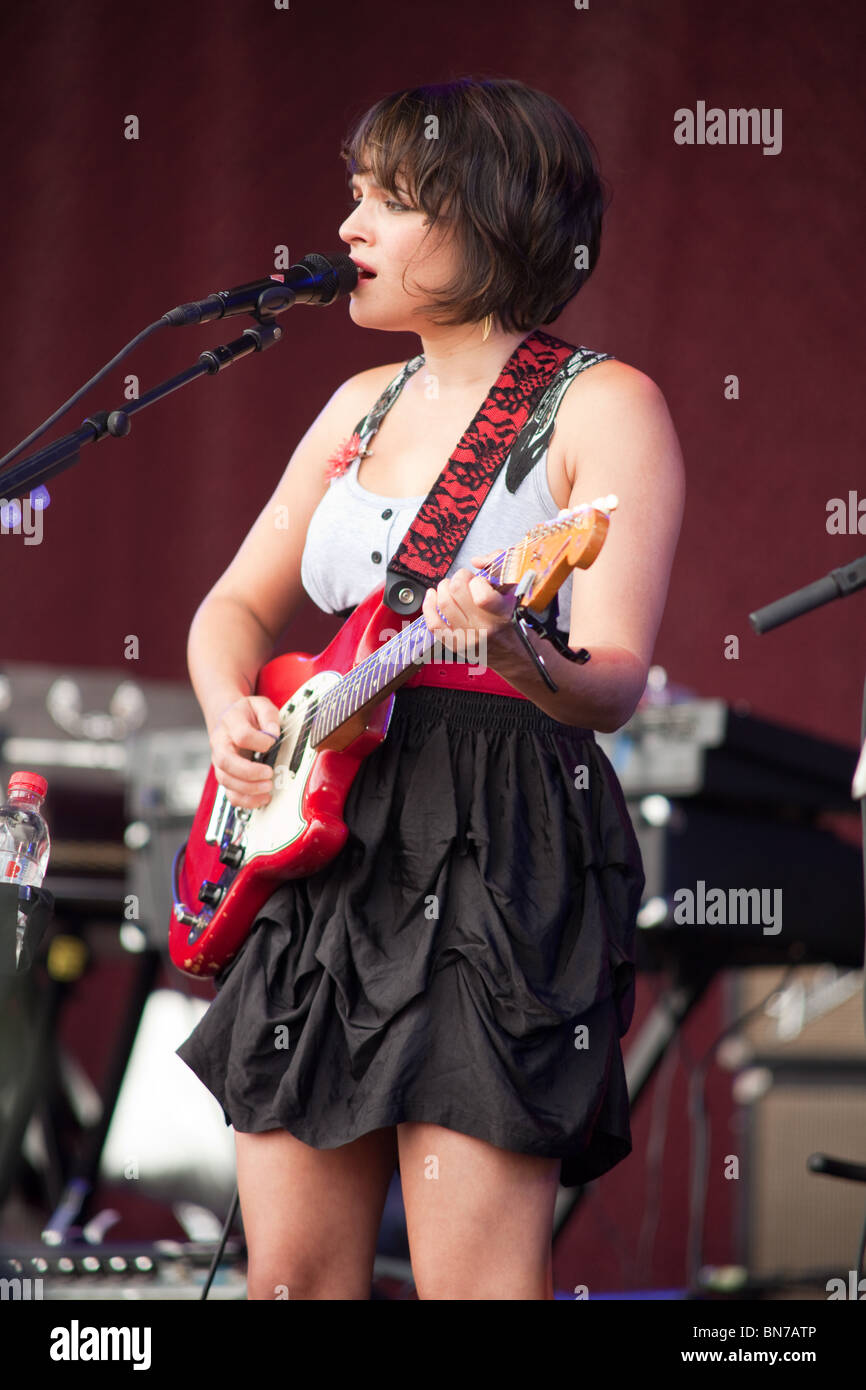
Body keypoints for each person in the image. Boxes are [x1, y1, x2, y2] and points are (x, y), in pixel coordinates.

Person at [176, 76, 685, 1301]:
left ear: (490, 216)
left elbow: (609, 682)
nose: (347, 227)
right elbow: (230, 610)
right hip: (322, 844)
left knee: (474, 1283)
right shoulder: (358, 405)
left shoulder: (602, 404)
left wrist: (513, 646)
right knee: (288, 1279)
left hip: (493, 835)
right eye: (353, 195)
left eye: (389, 200)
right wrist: (229, 713)